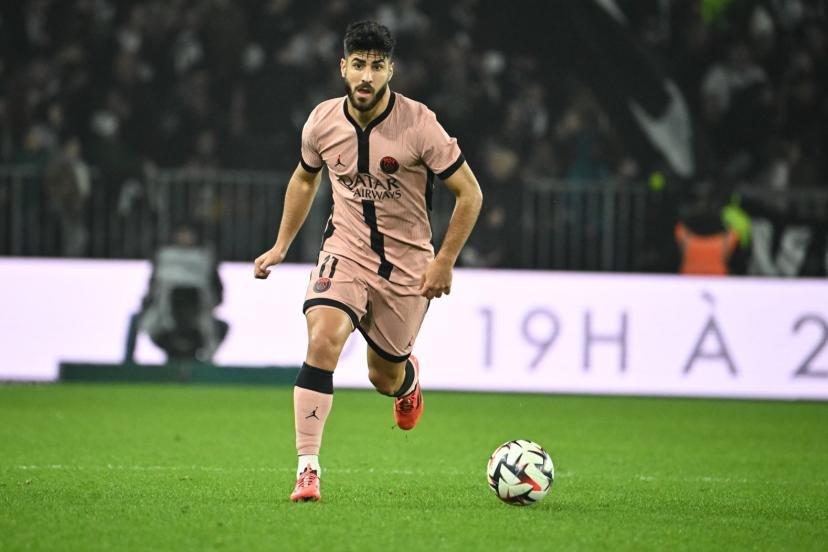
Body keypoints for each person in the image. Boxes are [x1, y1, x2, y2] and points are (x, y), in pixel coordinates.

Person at [254, 20, 483, 502]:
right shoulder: (322, 122)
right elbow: (304, 178)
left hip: (407, 268)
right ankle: (308, 470)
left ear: (390, 71)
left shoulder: (420, 124)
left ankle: (408, 380)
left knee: (384, 377)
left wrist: (444, 261)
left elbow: (470, 194)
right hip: (345, 253)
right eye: (358, 64)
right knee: (323, 341)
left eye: (377, 66)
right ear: (343, 67)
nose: (366, 75)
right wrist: (280, 245)